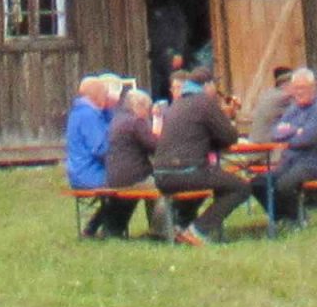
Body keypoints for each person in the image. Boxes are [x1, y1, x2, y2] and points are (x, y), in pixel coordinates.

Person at [152, 75, 254, 244]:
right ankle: (198, 230)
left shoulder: (176, 104)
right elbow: (229, 136)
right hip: (187, 172)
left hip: (161, 175)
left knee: (212, 181)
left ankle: (180, 227)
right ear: (208, 85)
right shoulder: (205, 102)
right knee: (241, 187)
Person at [267, 69, 317, 224]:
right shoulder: (292, 110)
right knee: (260, 183)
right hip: (289, 162)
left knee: (284, 184)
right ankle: (282, 217)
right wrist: (296, 130)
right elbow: (276, 133)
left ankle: (299, 218)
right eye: (296, 88)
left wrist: (289, 134)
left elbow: (306, 139)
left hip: (314, 164)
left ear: (313, 88)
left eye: (302, 88)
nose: (298, 92)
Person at [90, 88, 160, 238]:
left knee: (146, 186)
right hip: (133, 178)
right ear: (139, 106)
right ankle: (159, 230)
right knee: (160, 186)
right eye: (147, 109)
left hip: (113, 177)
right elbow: (154, 146)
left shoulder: (117, 120)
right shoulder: (136, 122)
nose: (147, 113)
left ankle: (105, 229)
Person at [64, 75, 115, 192]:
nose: (106, 97)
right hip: (92, 175)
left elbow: (110, 122)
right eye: (105, 94)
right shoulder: (89, 115)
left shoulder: (78, 112)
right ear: (97, 94)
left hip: (79, 174)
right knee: (138, 178)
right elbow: (101, 149)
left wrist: (107, 108)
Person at [242, 66, 294, 140]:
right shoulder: (284, 97)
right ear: (287, 83)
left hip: (255, 141)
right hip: (268, 144)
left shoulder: (267, 94)